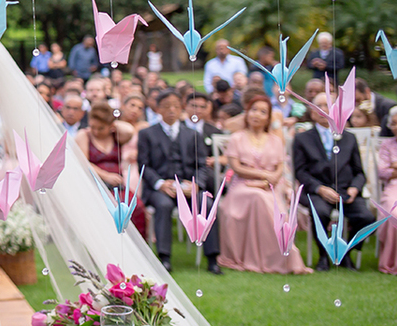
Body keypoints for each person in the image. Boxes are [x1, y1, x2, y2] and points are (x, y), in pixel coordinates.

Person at [216, 94, 309, 274]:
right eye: (253, 110)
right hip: (241, 186)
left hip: (269, 187)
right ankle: (256, 256)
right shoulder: (237, 138)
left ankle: (280, 256)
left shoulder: (275, 140)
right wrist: (262, 175)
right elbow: (236, 167)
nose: (256, 115)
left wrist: (266, 180)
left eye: (262, 111)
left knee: (266, 200)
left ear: (268, 118)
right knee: (258, 197)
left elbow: (279, 170)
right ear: (247, 113)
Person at [139, 89, 221, 274]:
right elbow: (143, 166)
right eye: (166, 106)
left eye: (176, 106)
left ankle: (213, 259)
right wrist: (160, 184)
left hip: (188, 187)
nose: (171, 110)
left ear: (181, 109)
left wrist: (196, 185)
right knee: (163, 206)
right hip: (160, 189)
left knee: (206, 203)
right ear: (158, 109)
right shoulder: (147, 134)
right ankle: (165, 257)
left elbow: (202, 165)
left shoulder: (192, 135)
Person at [292, 92, 375, 271]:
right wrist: (319, 188)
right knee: (319, 213)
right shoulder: (302, 138)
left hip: (346, 191)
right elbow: (300, 171)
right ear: (311, 110)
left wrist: (354, 188)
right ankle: (323, 255)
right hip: (317, 191)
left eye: (326, 105)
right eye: (318, 106)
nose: (322, 110)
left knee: (367, 218)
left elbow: (359, 172)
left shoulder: (349, 138)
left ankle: (345, 252)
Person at [76, 106, 145, 235]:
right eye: (93, 126)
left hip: (118, 185)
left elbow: (129, 131)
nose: (96, 131)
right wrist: (106, 176)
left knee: (136, 207)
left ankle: (135, 245)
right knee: (109, 210)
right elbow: (83, 163)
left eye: (101, 128)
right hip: (95, 184)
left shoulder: (116, 136)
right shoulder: (84, 135)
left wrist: (112, 121)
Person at [375, 107, 397, 275]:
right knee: (394, 212)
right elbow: (382, 172)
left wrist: (396, 165)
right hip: (394, 187)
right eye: (394, 123)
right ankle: (394, 262)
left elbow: (389, 168)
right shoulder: (386, 145)